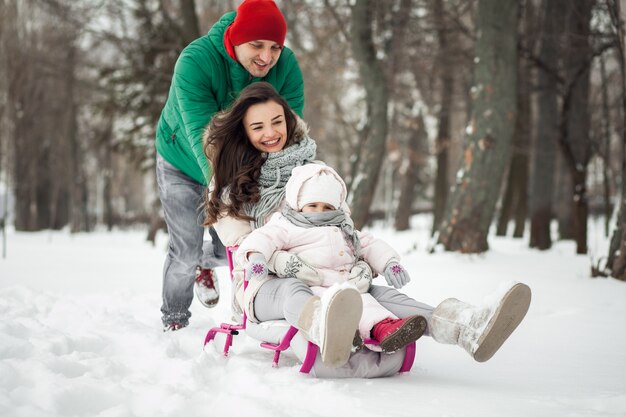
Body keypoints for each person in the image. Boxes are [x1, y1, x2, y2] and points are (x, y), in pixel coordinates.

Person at [204, 82, 532, 369]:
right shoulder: (230, 186)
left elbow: (342, 232)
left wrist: (360, 264)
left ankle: (465, 326)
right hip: (266, 286)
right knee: (295, 290)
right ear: (244, 132)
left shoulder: (318, 172)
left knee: (380, 294)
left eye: (277, 121)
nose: (271, 132)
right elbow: (241, 250)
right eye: (258, 126)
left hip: (330, 277)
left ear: (289, 121)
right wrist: (278, 261)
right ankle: (326, 327)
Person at [155, 0, 304, 331]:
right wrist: (223, 193)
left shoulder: (287, 68)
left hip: (241, 170)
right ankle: (175, 319)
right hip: (182, 161)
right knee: (185, 252)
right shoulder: (196, 61)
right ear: (236, 38)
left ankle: (204, 263)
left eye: (275, 47)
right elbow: (201, 137)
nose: (267, 56)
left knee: (241, 249)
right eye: (257, 45)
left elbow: (290, 134)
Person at [236, 163, 428, 354]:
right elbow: (263, 238)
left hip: (342, 286)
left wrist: (389, 263)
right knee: (311, 301)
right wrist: (257, 256)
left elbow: (369, 245)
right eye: (313, 205)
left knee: (366, 302)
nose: (320, 211)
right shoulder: (286, 225)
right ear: (298, 204)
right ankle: (328, 330)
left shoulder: (344, 229)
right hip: (308, 285)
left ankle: (386, 329)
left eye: (327, 207)